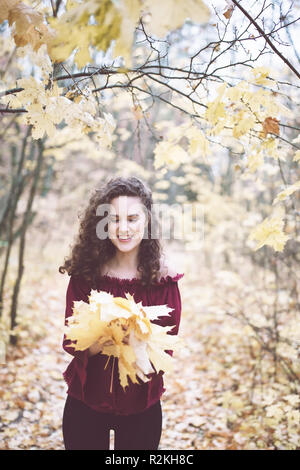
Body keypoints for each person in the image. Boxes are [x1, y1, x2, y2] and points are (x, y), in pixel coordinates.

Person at [58, 176, 184, 450]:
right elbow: (71, 341)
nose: (123, 228)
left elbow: (164, 354)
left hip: (142, 405)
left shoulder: (163, 280)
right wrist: (105, 338)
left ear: (147, 220)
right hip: (86, 400)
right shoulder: (86, 274)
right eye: (114, 219)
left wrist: (135, 339)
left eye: (132, 218)